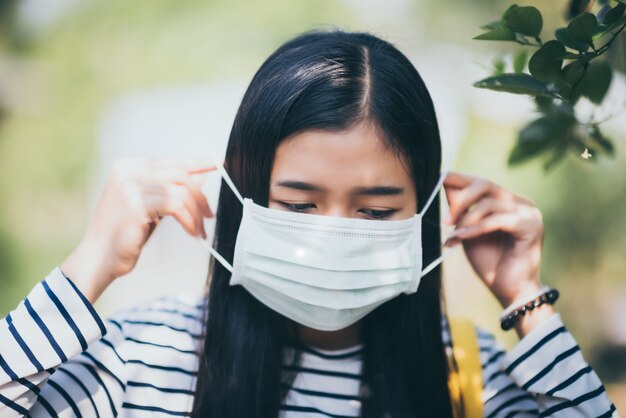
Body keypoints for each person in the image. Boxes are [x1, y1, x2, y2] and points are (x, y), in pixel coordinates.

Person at [0, 29, 618, 418]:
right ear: (242, 198)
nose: (332, 234)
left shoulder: (470, 378)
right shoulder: (145, 359)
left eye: (375, 211)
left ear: (429, 212)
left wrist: (526, 300)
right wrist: (87, 269)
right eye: (298, 204)